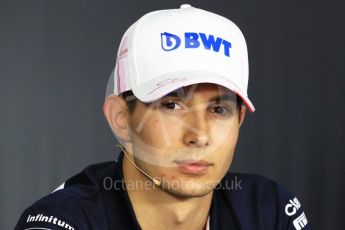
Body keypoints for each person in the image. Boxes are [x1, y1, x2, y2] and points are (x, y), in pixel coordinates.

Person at [15, 4, 309, 230]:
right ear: (120, 117)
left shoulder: (268, 210)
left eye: (219, 110)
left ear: (240, 121)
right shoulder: (66, 220)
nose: (199, 135)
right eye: (171, 105)